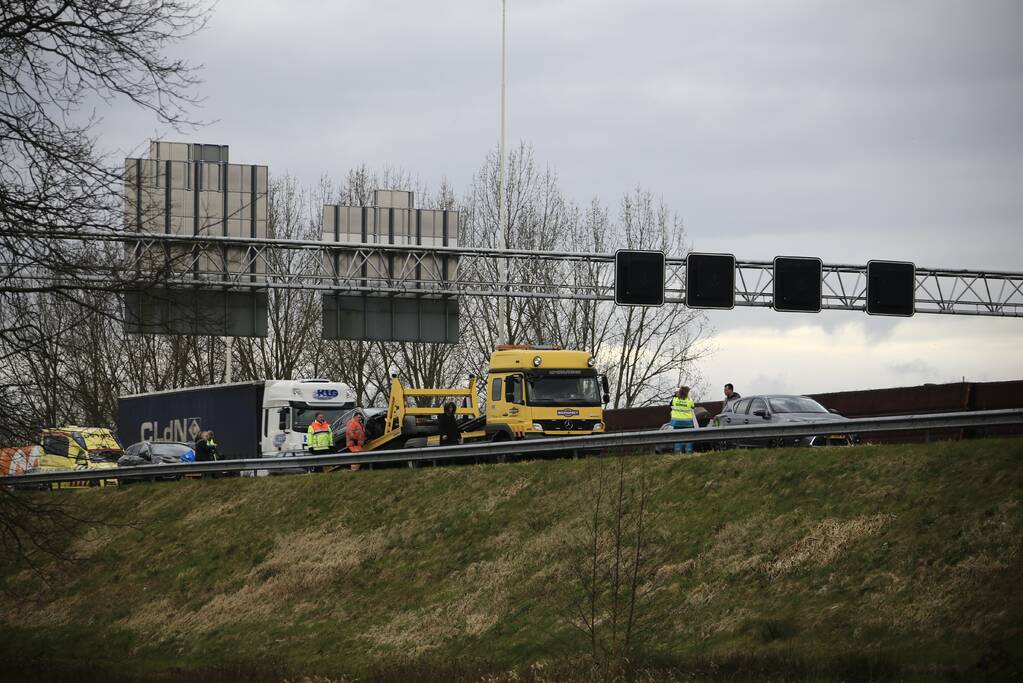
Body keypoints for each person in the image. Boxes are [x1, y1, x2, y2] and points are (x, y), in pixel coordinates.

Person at [670, 386, 696, 454]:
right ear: (687, 393)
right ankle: (689, 451)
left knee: (677, 437)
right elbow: (693, 407)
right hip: (688, 423)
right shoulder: (690, 401)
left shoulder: (674, 400)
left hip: (677, 422)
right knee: (688, 437)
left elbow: (671, 405)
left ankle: (678, 451)